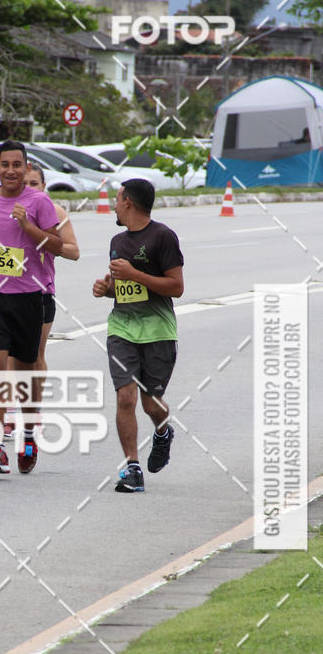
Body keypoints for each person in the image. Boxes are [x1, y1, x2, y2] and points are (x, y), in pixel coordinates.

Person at [0, 140, 62, 475]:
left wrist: (28, 228)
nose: (11, 171)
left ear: (26, 167)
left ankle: (30, 433)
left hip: (28, 297)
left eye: (17, 165)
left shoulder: (39, 201)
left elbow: (59, 246)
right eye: (4, 164)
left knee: (23, 375)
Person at [92, 178, 184, 493]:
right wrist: (107, 290)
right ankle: (132, 468)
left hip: (158, 330)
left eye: (117, 199)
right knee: (125, 397)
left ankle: (162, 432)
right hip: (122, 328)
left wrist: (133, 274)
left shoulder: (163, 236)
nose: (114, 205)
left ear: (128, 202)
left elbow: (176, 287)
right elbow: (123, 290)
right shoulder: (117, 240)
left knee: (150, 403)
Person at [3, 163, 80, 438]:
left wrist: (44, 239)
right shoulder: (5, 207)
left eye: (34, 184)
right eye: (24, 184)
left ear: (44, 187)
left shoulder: (54, 212)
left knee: (33, 356)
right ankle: (11, 414)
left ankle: (32, 412)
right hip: (6, 291)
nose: (29, 190)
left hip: (40, 293)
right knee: (9, 355)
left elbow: (73, 251)